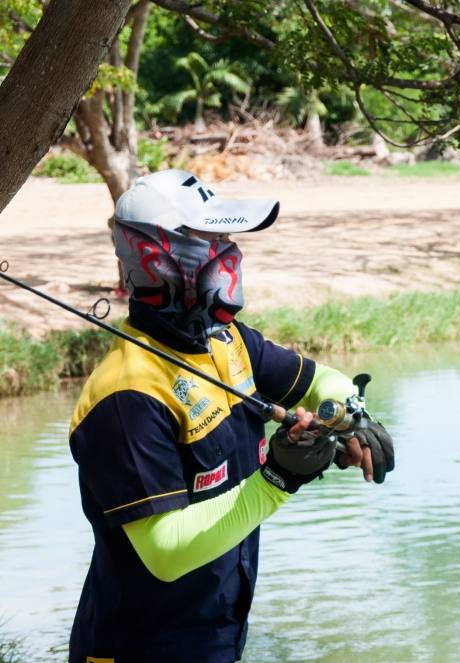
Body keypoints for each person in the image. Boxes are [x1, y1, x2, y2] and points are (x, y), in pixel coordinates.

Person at [67, 169, 395, 663]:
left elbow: (322, 379)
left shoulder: (228, 341)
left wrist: (348, 417)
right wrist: (276, 479)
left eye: (228, 237)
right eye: (212, 238)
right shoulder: (125, 396)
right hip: (140, 649)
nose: (228, 251)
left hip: (216, 637)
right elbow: (166, 550)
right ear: (156, 256)